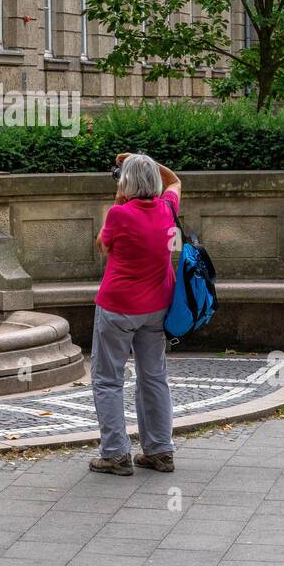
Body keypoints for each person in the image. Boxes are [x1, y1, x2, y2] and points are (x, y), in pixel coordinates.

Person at [89, 151, 182, 477]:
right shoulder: (168, 208)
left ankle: (115, 454)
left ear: (125, 183)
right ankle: (159, 450)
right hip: (157, 308)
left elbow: (103, 245)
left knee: (107, 379)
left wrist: (119, 195)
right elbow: (175, 181)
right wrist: (144, 160)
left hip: (117, 308)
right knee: (154, 376)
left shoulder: (119, 214)